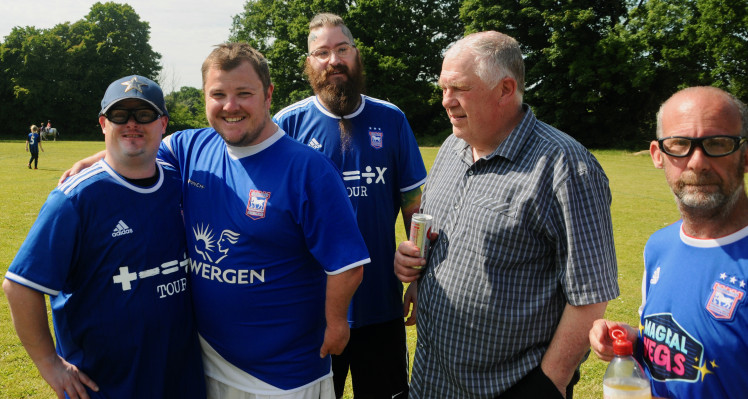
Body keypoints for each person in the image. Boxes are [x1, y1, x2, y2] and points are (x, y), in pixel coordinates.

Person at [62, 43, 370, 399]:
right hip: (202, 361)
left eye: (244, 93)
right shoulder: (190, 147)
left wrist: (335, 324)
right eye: (218, 94)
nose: (230, 106)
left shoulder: (309, 170)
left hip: (283, 375)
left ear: (268, 94)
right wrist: (102, 156)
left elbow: (347, 265)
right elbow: (142, 146)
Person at [393, 31, 619, 398]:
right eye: (443, 89)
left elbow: (590, 295)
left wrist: (548, 385)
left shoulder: (566, 168)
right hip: (432, 380)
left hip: (509, 387)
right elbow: (437, 230)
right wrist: (414, 268)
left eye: (460, 88)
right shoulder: (453, 147)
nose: (446, 102)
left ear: (505, 89)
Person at [4, 75, 206, 398]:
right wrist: (49, 364)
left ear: (163, 123)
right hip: (107, 386)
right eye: (119, 115)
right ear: (103, 123)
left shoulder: (178, 181)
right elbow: (19, 286)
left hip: (180, 378)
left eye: (144, 115)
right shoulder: (74, 199)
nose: (132, 124)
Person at [273, 13, 426, 399]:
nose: (333, 60)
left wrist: (419, 279)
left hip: (381, 307)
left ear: (357, 55)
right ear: (309, 63)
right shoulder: (286, 125)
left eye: (342, 49)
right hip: (311, 313)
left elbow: (415, 207)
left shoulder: (390, 119)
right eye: (321, 52)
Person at [590, 86, 748, 398]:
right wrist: (631, 341)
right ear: (658, 155)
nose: (697, 162)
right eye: (680, 145)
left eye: (718, 143)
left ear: (745, 157)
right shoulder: (659, 246)